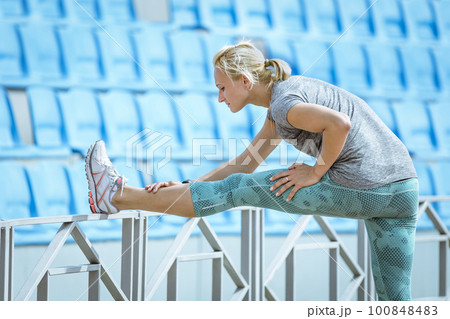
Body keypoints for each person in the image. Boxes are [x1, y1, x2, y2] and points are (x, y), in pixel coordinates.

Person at [85, 41, 418, 301]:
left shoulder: (285, 104)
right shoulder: (283, 105)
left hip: (369, 184)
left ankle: (116, 196)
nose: (219, 98)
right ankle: (121, 195)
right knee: (395, 299)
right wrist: (187, 185)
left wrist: (316, 171)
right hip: (403, 192)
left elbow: (338, 124)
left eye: (222, 88)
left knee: (239, 189)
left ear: (245, 81)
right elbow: (245, 162)